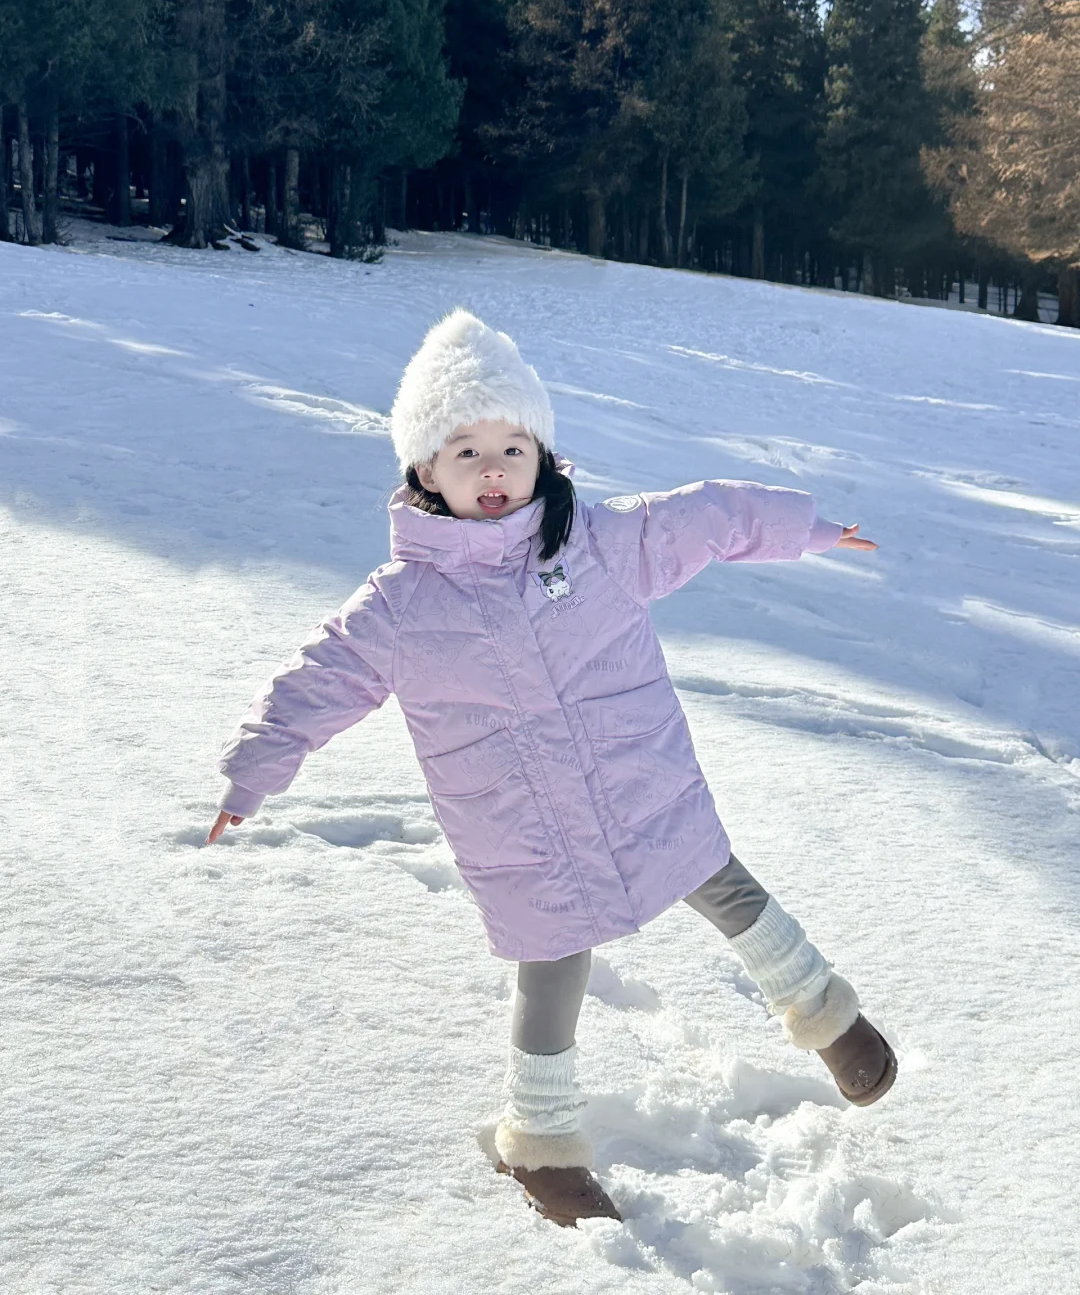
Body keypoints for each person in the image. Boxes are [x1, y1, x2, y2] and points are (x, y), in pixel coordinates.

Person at [207, 309, 896, 1228]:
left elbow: (711, 518)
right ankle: (540, 1140)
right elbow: (320, 678)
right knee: (552, 965)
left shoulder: (603, 544)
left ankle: (828, 1015)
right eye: (465, 451)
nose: (493, 469)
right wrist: (253, 774)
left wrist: (804, 528)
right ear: (423, 473)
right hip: (519, 829)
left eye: (512, 447)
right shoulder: (399, 605)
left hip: (643, 787)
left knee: (728, 889)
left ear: (540, 456)